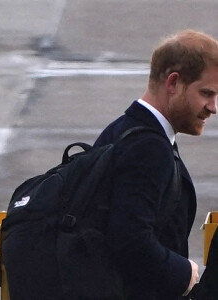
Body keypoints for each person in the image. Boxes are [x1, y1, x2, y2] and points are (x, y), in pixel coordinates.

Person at [93, 29, 218, 299]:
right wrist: (185, 274)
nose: (213, 107)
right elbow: (129, 241)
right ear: (173, 83)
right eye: (206, 93)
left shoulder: (122, 130)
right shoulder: (147, 148)